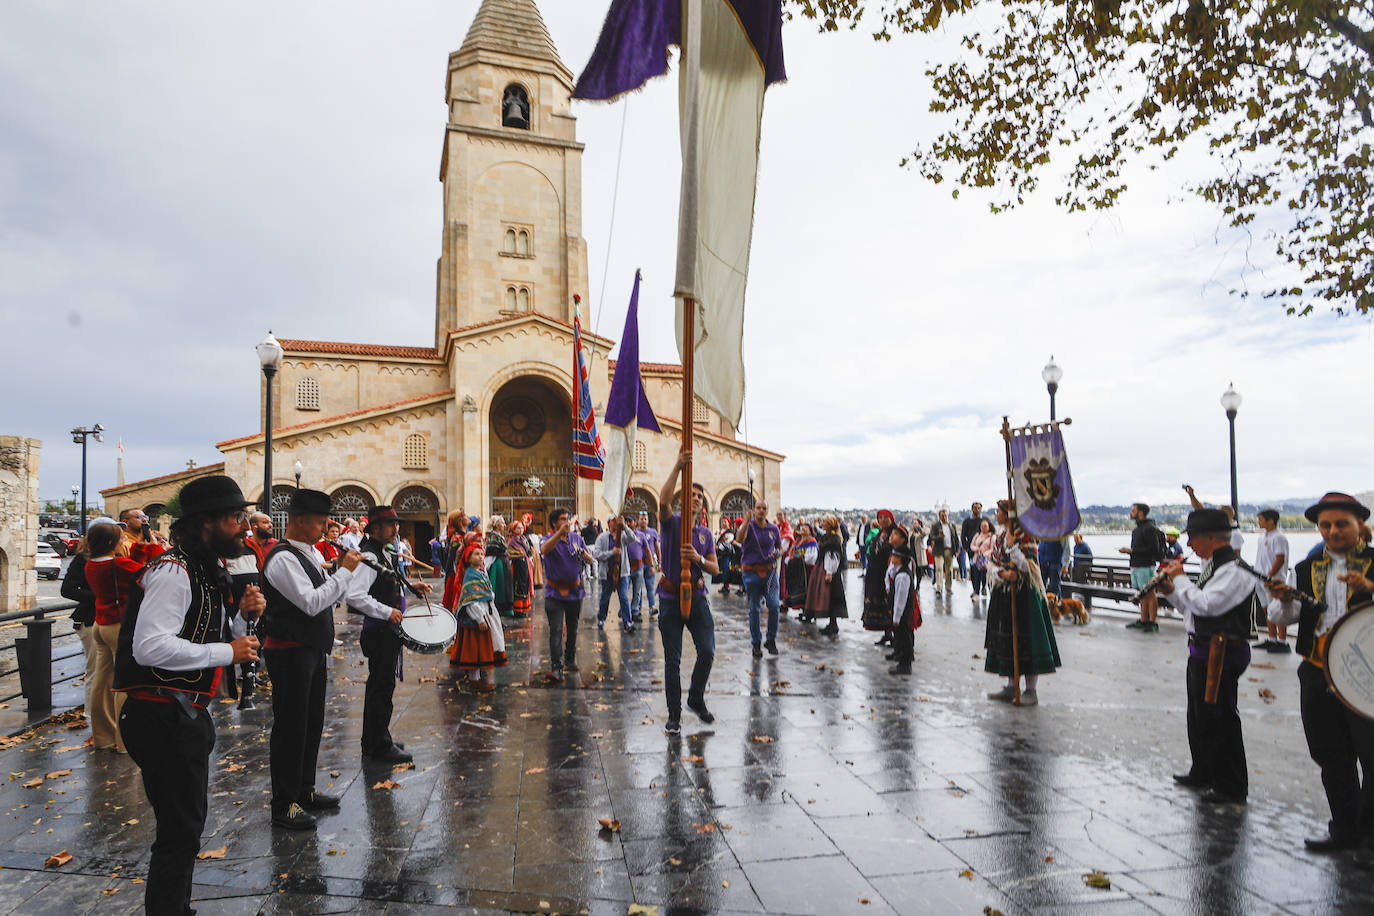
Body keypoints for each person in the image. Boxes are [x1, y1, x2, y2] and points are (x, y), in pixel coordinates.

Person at [111, 476, 263, 914]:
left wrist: (241, 620)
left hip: (181, 715)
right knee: (180, 829)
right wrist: (229, 650)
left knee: (184, 825)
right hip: (162, 717)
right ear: (204, 524)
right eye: (235, 518)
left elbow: (209, 636)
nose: (243, 527)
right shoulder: (173, 571)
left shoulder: (204, 570)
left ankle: (176, 905)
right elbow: (151, 646)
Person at [1269, 492, 1374, 851]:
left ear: (1360, 526)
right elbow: (1285, 618)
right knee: (1331, 756)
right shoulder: (1307, 567)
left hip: (1366, 678)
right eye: (1325, 525)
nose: (1332, 531)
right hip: (1317, 671)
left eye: (1341, 524)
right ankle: (1344, 830)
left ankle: (1368, 836)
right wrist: (1283, 599)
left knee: (1372, 757)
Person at [259, 488, 363, 830]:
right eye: (320, 522)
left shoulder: (308, 553)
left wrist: (343, 574)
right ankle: (284, 802)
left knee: (311, 723)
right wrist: (344, 572)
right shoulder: (284, 558)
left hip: (310, 650)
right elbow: (311, 602)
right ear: (299, 521)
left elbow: (327, 598)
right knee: (290, 726)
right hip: (289, 651)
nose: (325, 528)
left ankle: (303, 790)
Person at [1156, 507, 1257, 806]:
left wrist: (1181, 579)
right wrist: (1171, 591)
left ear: (1211, 538)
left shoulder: (1237, 571)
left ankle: (1230, 785)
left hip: (1223, 652)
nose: (1189, 545)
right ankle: (1203, 770)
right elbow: (1192, 609)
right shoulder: (1214, 568)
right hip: (1202, 648)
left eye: (1193, 539)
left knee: (1220, 718)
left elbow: (1207, 605)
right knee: (1198, 714)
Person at [85, 518, 165, 753]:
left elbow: (131, 566)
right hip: (118, 626)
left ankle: (103, 736)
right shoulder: (116, 565)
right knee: (124, 683)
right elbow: (151, 571)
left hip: (101, 625)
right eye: (121, 537)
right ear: (110, 541)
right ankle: (124, 742)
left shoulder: (93, 564)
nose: (125, 540)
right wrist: (153, 546)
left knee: (102, 681)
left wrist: (140, 546)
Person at [656, 451, 719, 735]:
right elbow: (663, 499)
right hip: (670, 598)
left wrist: (698, 558)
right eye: (690, 494)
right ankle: (674, 714)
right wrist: (678, 466)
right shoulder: (671, 522)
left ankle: (695, 697)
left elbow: (715, 569)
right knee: (673, 659)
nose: (694, 498)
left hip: (697, 597)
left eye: (698, 496)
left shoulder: (705, 534)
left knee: (707, 650)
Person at [350, 507, 420, 764]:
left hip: (385, 630)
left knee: (380, 686)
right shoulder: (369, 555)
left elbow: (388, 584)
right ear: (375, 529)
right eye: (390, 524)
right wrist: (386, 611)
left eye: (396, 524)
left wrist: (413, 588)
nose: (395, 529)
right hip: (379, 631)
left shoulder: (381, 552)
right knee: (381, 687)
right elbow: (355, 595)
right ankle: (378, 745)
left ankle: (376, 737)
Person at [985, 501, 1060, 706]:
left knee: (1028, 643)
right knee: (1009, 642)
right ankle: (1011, 686)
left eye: (999, 511)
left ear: (1008, 514)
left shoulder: (1025, 537)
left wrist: (1013, 550)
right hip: (1005, 593)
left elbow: (1030, 568)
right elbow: (991, 561)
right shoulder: (1001, 536)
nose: (996, 514)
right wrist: (1000, 572)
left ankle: (1031, 690)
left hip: (1025, 595)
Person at [541, 508, 595, 682]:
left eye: (568, 519)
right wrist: (559, 534)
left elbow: (590, 559)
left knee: (573, 629)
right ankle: (556, 667)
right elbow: (544, 550)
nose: (567, 522)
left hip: (575, 592)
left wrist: (584, 554)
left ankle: (569, 660)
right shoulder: (548, 539)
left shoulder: (577, 538)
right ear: (555, 523)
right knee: (556, 630)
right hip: (554, 593)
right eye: (563, 519)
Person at [59, 525, 100, 734]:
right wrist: (99, 596)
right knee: (95, 669)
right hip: (90, 619)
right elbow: (67, 589)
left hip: (106, 618)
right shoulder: (83, 559)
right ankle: (91, 714)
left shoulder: (115, 558)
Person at [451, 540, 507, 691]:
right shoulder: (470, 575)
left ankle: (481, 678)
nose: (481, 556)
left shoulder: (481, 572)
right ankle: (474, 680)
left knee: (482, 648)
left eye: (482, 553)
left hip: (487, 611)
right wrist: (479, 618)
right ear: (468, 558)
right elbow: (471, 601)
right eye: (476, 554)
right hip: (475, 618)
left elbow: (485, 591)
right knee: (475, 649)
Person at [737, 500, 784, 658]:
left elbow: (779, 547)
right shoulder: (748, 526)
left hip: (770, 573)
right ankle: (756, 642)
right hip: (751, 573)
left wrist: (778, 553)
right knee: (755, 609)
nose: (761, 511)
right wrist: (746, 521)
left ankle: (770, 639)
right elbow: (739, 539)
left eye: (764, 508)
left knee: (774, 605)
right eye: (759, 508)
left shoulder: (773, 529)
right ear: (754, 510)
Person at [1121, 503, 1166, 633]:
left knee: (1150, 594)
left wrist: (1131, 551)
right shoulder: (1138, 529)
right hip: (1136, 565)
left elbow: (1154, 549)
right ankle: (1143, 620)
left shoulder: (1149, 528)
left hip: (1146, 566)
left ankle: (1152, 622)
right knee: (1142, 595)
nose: (1131, 513)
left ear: (1141, 512)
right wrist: (1132, 552)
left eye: (1133, 510)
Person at [1252, 509, 1291, 653]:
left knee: (1278, 610)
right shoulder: (1262, 537)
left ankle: (1282, 641)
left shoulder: (1279, 537)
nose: (1259, 522)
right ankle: (1272, 638)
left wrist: (1270, 575)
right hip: (1260, 577)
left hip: (1273, 579)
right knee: (1267, 609)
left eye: (1261, 519)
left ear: (1271, 521)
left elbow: (1280, 558)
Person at [887, 527, 921, 675]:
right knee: (901, 634)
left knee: (904, 635)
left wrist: (896, 616)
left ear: (899, 558)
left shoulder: (902, 576)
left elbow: (901, 597)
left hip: (902, 612)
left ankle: (905, 663)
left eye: (894, 556)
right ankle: (901, 656)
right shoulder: (899, 571)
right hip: (901, 612)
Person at [806, 515, 847, 636]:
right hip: (822, 568)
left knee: (830, 596)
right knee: (828, 597)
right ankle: (832, 624)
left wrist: (829, 572)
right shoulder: (827, 537)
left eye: (825, 522)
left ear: (830, 524)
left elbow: (833, 556)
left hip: (828, 570)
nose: (822, 523)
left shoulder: (833, 539)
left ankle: (833, 625)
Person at [593, 516, 635, 632]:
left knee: (624, 597)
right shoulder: (602, 537)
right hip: (607, 573)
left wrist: (625, 526)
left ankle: (628, 622)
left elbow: (632, 538)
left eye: (618, 521)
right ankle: (601, 618)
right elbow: (596, 554)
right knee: (605, 597)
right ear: (609, 523)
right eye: (614, 520)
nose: (616, 523)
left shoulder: (623, 536)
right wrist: (611, 553)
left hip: (622, 573)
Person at [861, 510, 896, 642]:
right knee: (880, 603)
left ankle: (893, 634)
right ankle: (887, 633)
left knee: (890, 603)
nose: (882, 520)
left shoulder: (895, 533)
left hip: (888, 572)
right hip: (876, 574)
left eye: (885, 517)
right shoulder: (880, 534)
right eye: (880, 518)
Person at [485, 516, 515, 617]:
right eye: (502, 523)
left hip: (502, 563)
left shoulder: (497, 536)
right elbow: (491, 551)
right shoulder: (493, 536)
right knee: (500, 587)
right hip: (498, 565)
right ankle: (498, 612)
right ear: (497, 525)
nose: (504, 525)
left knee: (503, 587)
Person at [784, 522, 815, 612]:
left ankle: (807, 611)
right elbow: (791, 553)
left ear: (810, 531)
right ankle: (799, 608)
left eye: (805, 528)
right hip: (796, 569)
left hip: (806, 570)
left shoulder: (811, 541)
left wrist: (798, 559)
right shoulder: (797, 541)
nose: (803, 529)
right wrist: (791, 559)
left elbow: (811, 558)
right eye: (802, 528)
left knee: (806, 590)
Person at [623, 512, 647, 621]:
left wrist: (652, 564)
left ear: (635, 523)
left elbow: (647, 550)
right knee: (624, 591)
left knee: (637, 592)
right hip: (627, 567)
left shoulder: (641, 535)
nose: (628, 523)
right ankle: (625, 610)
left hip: (639, 567)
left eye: (630, 521)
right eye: (626, 521)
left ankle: (635, 611)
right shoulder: (623, 535)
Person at [929, 509, 958, 597]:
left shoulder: (952, 525)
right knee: (938, 568)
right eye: (942, 515)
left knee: (949, 569)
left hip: (949, 549)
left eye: (945, 515)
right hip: (938, 549)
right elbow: (931, 537)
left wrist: (957, 550)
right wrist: (939, 537)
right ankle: (939, 587)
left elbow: (956, 538)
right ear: (939, 516)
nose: (944, 517)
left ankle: (948, 587)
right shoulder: (935, 525)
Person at [508, 520, 534, 619]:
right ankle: (517, 609)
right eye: (518, 528)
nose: (521, 530)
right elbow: (510, 553)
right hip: (517, 565)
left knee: (525, 585)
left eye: (522, 528)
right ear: (513, 530)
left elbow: (527, 551)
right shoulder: (512, 540)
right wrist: (521, 554)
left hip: (524, 565)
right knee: (518, 586)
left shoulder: (523, 539)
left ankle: (524, 608)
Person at [637, 511, 661, 617]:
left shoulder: (652, 532)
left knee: (650, 587)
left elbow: (657, 548)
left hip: (649, 563)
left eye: (645, 519)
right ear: (638, 520)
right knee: (638, 587)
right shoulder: (635, 532)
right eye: (641, 519)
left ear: (648, 520)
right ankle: (638, 607)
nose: (643, 521)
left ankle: (652, 607)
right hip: (638, 564)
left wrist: (659, 562)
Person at [969, 519, 996, 598]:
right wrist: (976, 549)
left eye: (985, 526)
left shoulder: (992, 537)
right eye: (982, 526)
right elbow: (972, 545)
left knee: (985, 577)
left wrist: (985, 554)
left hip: (986, 560)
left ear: (989, 526)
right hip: (976, 559)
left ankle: (986, 590)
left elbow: (992, 548)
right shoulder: (977, 535)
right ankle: (976, 593)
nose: (983, 527)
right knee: (976, 576)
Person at [1068, 532, 1094, 608]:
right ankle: (1075, 598)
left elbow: (1090, 558)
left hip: (1083, 569)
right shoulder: (1075, 547)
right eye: (1074, 539)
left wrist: (1085, 566)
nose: (1075, 540)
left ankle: (1082, 600)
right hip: (1076, 568)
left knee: (1082, 581)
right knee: (1072, 578)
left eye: (1077, 539)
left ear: (1081, 538)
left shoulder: (1085, 547)